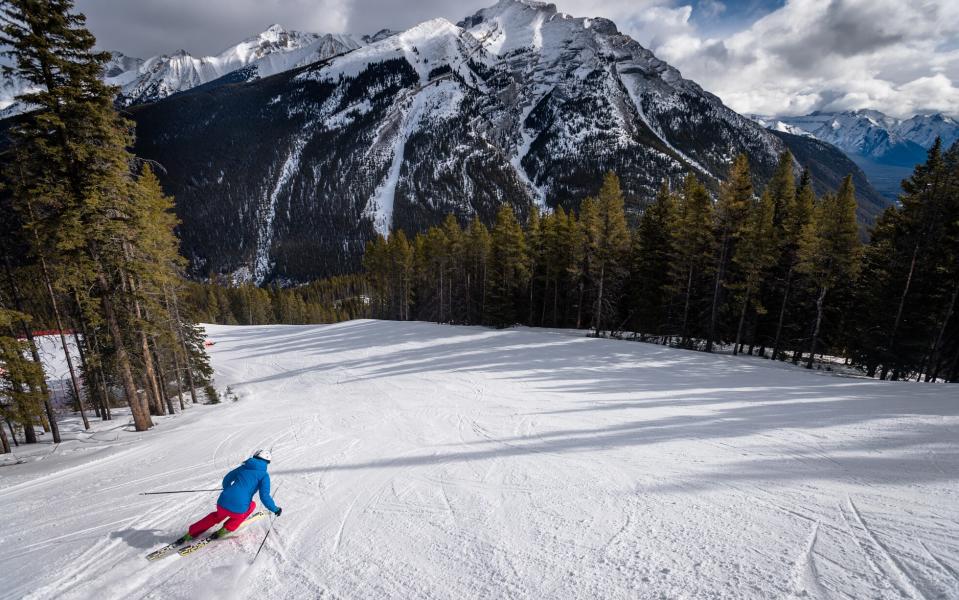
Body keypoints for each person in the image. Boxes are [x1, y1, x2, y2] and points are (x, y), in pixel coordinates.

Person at [177, 449, 282, 543]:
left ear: (254, 457)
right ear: (267, 463)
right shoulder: (264, 475)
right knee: (251, 506)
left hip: (222, 501)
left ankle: (190, 533)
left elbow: (227, 478)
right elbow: (264, 496)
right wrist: (275, 509)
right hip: (239, 508)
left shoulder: (243, 467)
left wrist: (227, 489)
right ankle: (227, 528)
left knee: (216, 516)